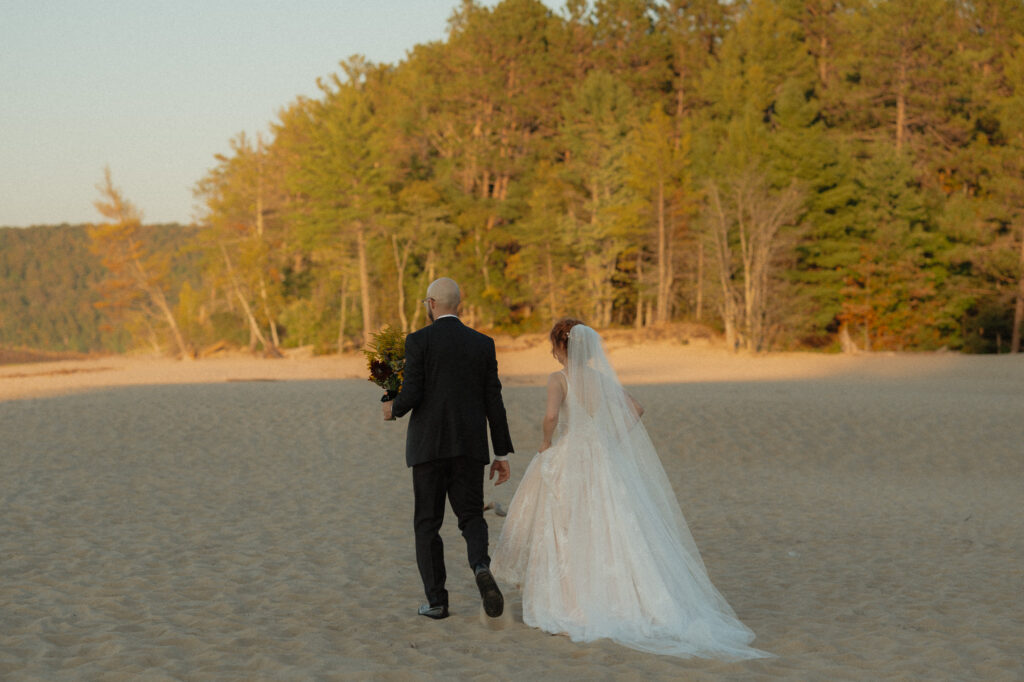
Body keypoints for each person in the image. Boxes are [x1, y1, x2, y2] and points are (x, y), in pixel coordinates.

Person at [491, 319, 771, 659]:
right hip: (601, 455)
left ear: (560, 347)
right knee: (610, 524)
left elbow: (551, 417)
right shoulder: (599, 378)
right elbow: (636, 408)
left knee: (569, 524)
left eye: (554, 346)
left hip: (572, 453)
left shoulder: (559, 379)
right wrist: (610, 439)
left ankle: (573, 598)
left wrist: (546, 442)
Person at [383, 277, 514, 620]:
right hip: (469, 446)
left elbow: (413, 392)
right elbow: (494, 401)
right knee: (471, 517)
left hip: (428, 447)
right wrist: (501, 453)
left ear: (431, 304)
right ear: (460, 304)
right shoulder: (483, 344)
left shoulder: (418, 341)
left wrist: (392, 408)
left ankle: (437, 602)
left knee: (428, 523)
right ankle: (481, 566)